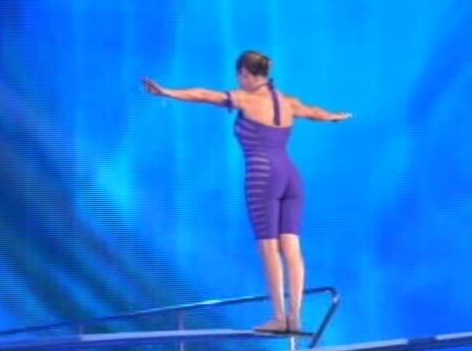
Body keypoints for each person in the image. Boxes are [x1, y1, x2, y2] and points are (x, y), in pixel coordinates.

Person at [142, 52, 351, 333]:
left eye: (240, 76)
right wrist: (334, 117)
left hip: (263, 176)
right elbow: (316, 113)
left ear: (246, 74)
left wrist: (167, 92)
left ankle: (280, 317)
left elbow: (204, 95)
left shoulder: (247, 99)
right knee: (292, 248)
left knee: (269, 247)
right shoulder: (288, 102)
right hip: (291, 176)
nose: (238, 82)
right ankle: (296, 317)